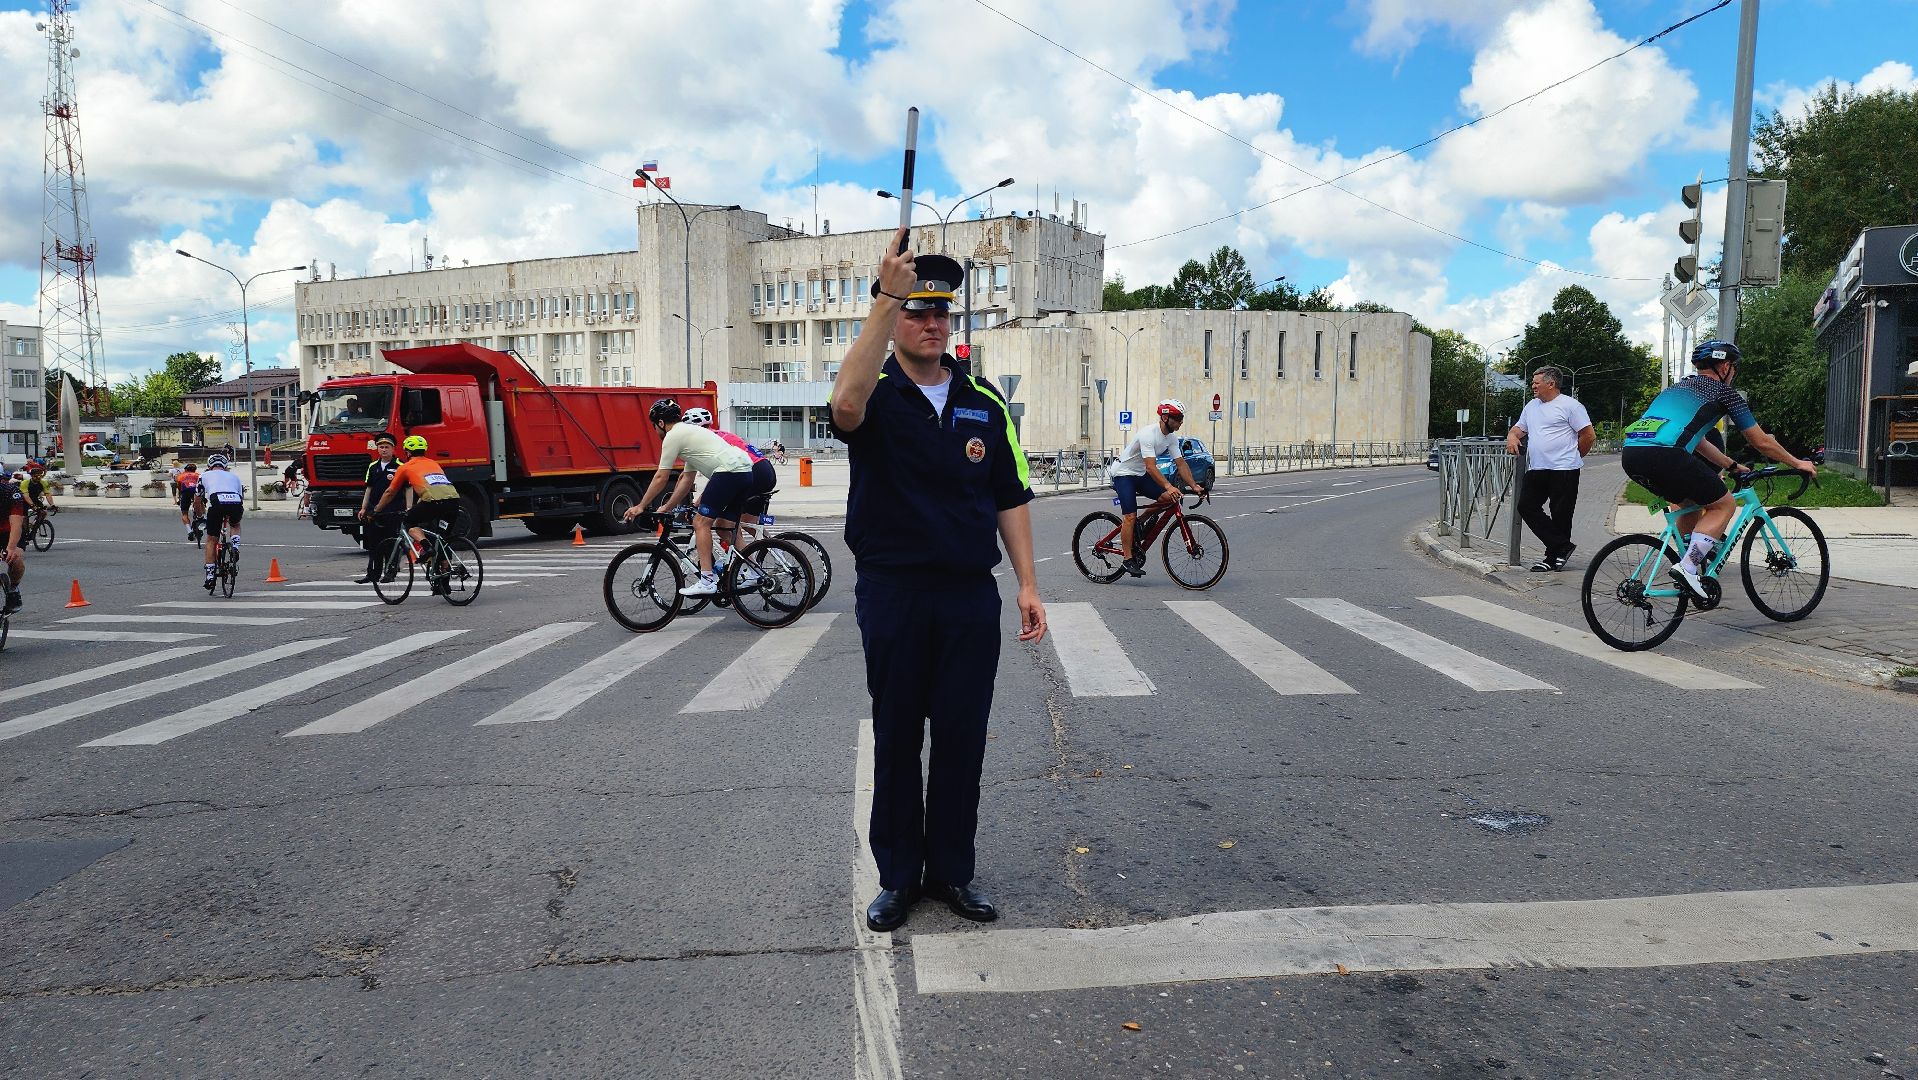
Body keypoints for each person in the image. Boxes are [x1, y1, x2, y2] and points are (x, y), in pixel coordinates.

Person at [829, 233, 1045, 934]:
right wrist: (882, 298)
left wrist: (1027, 585)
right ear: (897, 317)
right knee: (897, 736)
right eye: (917, 312)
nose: (931, 325)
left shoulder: (983, 400)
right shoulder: (878, 390)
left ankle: (952, 871)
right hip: (893, 592)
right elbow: (843, 407)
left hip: (965, 597)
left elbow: (1009, 494)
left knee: (960, 738)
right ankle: (898, 877)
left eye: (940, 314)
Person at [1622, 339, 1817, 600]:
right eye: (1733, 368)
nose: (1733, 373)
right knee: (1723, 505)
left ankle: (1687, 567)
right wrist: (1798, 463)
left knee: (1689, 503)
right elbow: (1760, 441)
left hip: (1632, 455)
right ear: (1725, 366)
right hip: (1667, 455)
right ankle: (1689, 567)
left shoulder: (1674, 390)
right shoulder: (1725, 394)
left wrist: (1731, 466)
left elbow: (1699, 441)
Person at [620, 399, 766, 597]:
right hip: (745, 471)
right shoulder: (692, 434)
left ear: (661, 423)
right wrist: (668, 507)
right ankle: (754, 572)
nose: (656, 431)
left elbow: (661, 476)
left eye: (655, 427)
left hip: (729, 472)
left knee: (701, 523)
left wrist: (641, 505)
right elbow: (686, 480)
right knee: (725, 526)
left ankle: (707, 580)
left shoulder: (673, 436)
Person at [1506, 366, 1595, 572]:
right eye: (1533, 383)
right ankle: (1562, 547)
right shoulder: (1531, 406)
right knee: (1526, 506)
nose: (1533, 386)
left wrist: (1574, 456)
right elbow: (1519, 428)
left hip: (1564, 469)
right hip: (1538, 468)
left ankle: (1552, 557)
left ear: (1551, 383)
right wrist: (1512, 436)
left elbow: (1588, 435)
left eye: (1537, 382)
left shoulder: (1570, 406)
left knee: (1561, 514)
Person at [1106, 400, 1205, 577]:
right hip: (1123, 473)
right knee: (1129, 516)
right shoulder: (1148, 434)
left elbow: (1180, 464)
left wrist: (1194, 486)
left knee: (1169, 499)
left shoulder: (1171, 437)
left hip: (1140, 474)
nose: (1181, 422)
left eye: (1182, 418)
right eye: (1178, 418)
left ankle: (1141, 520)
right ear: (1165, 417)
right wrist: (1168, 485)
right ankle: (1128, 560)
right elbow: (1151, 467)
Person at [673, 407, 778, 560]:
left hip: (752, 471)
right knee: (747, 521)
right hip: (765, 469)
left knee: (723, 526)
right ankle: (780, 553)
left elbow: (719, 479)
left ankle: (750, 569)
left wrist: (696, 503)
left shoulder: (704, 442)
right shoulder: (720, 434)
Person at [371, 435, 464, 593]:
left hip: (434, 502)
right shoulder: (433, 463)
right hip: (453, 501)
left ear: (407, 452)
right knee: (442, 540)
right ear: (425, 450)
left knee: (409, 523)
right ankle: (444, 583)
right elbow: (434, 487)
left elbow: (390, 491)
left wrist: (376, 510)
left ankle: (426, 547)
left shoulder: (405, 467)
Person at [354, 433, 402, 584]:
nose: (384, 450)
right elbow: (368, 489)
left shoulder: (399, 466)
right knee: (373, 543)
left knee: (390, 542)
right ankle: (372, 574)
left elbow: (407, 488)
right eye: (381, 447)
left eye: (387, 447)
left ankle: (390, 572)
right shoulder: (373, 466)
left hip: (393, 510)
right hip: (374, 510)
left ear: (393, 449)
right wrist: (363, 508)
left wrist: (408, 507)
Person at [194, 454, 246, 591]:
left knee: (211, 540)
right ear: (225, 466)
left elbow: (197, 500)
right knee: (235, 524)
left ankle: (210, 576)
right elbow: (241, 498)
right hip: (235, 501)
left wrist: (200, 516)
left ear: (209, 466)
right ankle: (235, 546)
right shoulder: (235, 477)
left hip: (216, 502)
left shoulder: (204, 476)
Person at [1, 470, 24, 614]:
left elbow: (16, 523)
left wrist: (10, 547)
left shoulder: (11, 491)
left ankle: (13, 588)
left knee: (15, 559)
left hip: (7, 532)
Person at [174, 461, 202, 539]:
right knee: (200, 503)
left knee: (184, 513)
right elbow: (202, 486)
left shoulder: (181, 476)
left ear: (185, 469)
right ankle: (202, 517)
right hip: (195, 492)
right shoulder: (198, 475)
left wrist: (179, 498)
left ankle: (189, 531)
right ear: (195, 470)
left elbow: (179, 488)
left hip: (185, 493)